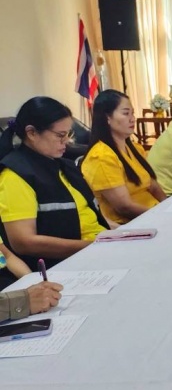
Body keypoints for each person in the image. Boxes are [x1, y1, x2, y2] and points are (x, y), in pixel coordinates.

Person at [0, 97, 109, 271]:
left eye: (68, 134)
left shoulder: (65, 166)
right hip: (65, 264)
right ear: (32, 133)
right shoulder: (15, 175)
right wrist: (93, 246)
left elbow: (91, 215)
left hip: (98, 247)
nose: (67, 141)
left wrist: (122, 234)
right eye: (60, 135)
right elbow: (23, 242)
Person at [81, 90, 166, 225]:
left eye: (133, 113)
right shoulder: (101, 156)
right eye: (126, 113)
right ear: (107, 118)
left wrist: (168, 207)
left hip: (154, 214)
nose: (132, 119)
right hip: (131, 223)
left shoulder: (134, 148)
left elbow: (153, 187)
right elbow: (124, 207)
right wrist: (162, 215)